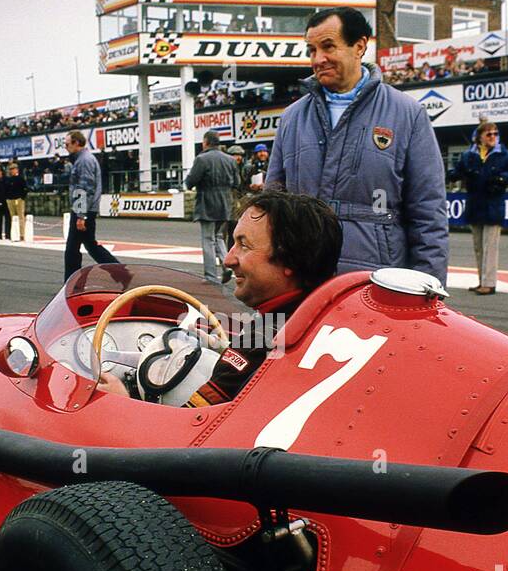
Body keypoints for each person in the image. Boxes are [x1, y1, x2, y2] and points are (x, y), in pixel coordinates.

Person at [97, 190, 342, 406]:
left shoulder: (263, 341)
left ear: (289, 261)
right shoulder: (326, 316)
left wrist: (122, 401)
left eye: (243, 246)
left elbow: (189, 432)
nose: (228, 260)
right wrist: (226, 348)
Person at [266, 6, 448, 278]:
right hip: (303, 280)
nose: (318, 59)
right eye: (312, 50)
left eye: (328, 47)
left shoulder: (407, 114)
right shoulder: (292, 118)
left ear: (360, 46)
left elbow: (428, 212)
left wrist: (428, 288)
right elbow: (272, 205)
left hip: (377, 284)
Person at [451, 122, 508, 296]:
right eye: (489, 134)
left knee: (490, 246)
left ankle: (489, 283)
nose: (493, 137)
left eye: (495, 134)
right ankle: (482, 280)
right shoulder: (469, 155)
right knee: (478, 246)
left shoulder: (504, 155)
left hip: (493, 204)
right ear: (479, 137)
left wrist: (501, 179)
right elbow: (456, 172)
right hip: (475, 203)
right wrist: (456, 175)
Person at [185, 130, 240, 284]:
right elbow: (237, 182)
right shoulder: (230, 160)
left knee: (208, 239)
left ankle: (210, 276)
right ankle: (226, 264)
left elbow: (190, 182)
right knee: (219, 237)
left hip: (207, 203)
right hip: (225, 203)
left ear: (206, 142)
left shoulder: (202, 159)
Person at [64, 129, 118, 281]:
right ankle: (121, 273)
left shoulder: (84, 160)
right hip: (85, 209)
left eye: (67, 144)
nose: (66, 147)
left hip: (83, 209)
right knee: (90, 246)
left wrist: (81, 215)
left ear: (76, 143)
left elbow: (85, 188)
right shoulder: (84, 159)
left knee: (72, 249)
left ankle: (71, 282)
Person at [6, 162, 29, 241]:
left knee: (20, 216)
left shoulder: (20, 178)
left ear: (16, 170)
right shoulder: (8, 179)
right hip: (10, 199)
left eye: (13, 169)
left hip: (18, 199)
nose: (11, 171)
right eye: (10, 169)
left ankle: (22, 234)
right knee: (12, 217)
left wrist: (22, 197)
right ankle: (14, 233)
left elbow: (25, 189)